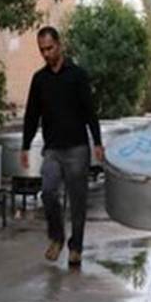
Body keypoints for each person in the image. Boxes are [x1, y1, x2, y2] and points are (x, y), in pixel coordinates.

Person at [21, 26, 103, 267]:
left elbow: (89, 110)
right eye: (42, 50)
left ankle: (76, 247)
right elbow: (31, 115)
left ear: (59, 45)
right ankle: (57, 237)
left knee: (77, 201)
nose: (46, 54)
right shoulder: (40, 79)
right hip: (53, 150)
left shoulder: (77, 75)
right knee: (48, 191)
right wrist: (25, 145)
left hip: (77, 148)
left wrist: (97, 142)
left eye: (50, 48)